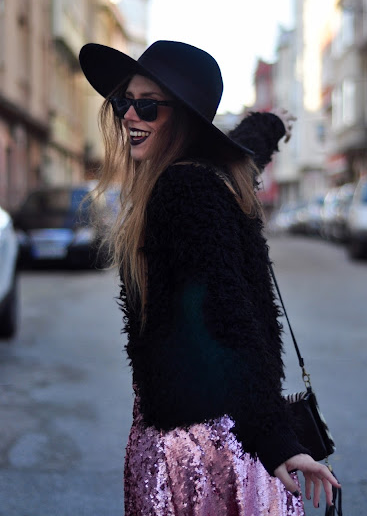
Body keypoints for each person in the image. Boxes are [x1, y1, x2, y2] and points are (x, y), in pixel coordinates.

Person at [79, 40, 340, 516]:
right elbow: (245, 154)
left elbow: (226, 316)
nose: (130, 115)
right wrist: (270, 125)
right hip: (215, 439)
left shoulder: (185, 190)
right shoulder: (209, 174)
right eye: (124, 101)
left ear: (182, 119)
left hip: (200, 450)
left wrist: (276, 439)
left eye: (148, 105)